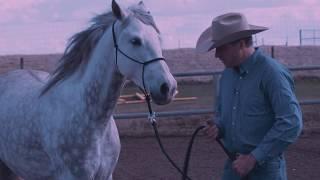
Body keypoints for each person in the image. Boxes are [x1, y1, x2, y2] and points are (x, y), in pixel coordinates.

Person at [196, 12, 303, 180]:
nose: (217, 55)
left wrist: (253, 158)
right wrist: (218, 127)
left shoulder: (271, 73)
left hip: (265, 169)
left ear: (240, 44)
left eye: (221, 48)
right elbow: (223, 116)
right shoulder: (226, 76)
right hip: (234, 166)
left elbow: (291, 122)